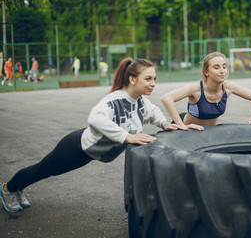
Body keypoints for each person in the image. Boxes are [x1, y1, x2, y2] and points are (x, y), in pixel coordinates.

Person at [0, 57, 180, 213]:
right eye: (148, 78)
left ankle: (18, 188)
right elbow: (95, 118)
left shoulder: (141, 101)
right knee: (42, 170)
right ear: (132, 79)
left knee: (47, 172)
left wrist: (164, 123)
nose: (153, 83)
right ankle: (8, 190)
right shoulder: (114, 100)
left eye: (154, 79)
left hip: (90, 154)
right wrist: (127, 136)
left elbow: (154, 111)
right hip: (76, 147)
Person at [161, 52, 251, 131]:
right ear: (206, 71)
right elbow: (166, 98)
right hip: (187, 129)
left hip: (209, 131)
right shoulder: (196, 88)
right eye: (216, 67)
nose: (222, 70)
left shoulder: (228, 87)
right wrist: (181, 125)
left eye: (224, 67)